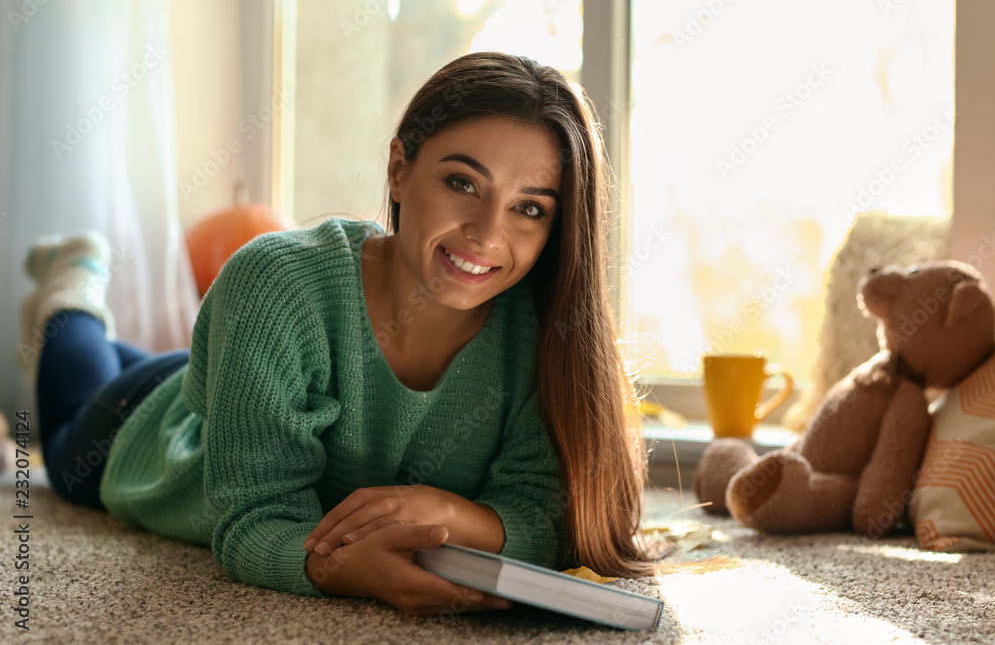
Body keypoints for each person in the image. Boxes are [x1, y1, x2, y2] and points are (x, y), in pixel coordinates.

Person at [19, 51, 658, 617]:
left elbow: (545, 512)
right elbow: (250, 520)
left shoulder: (543, 333)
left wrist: (450, 514)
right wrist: (328, 568)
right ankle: (74, 286)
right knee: (69, 413)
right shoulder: (275, 281)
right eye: (463, 183)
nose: (488, 234)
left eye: (529, 207)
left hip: (252, 370)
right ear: (400, 169)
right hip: (140, 426)